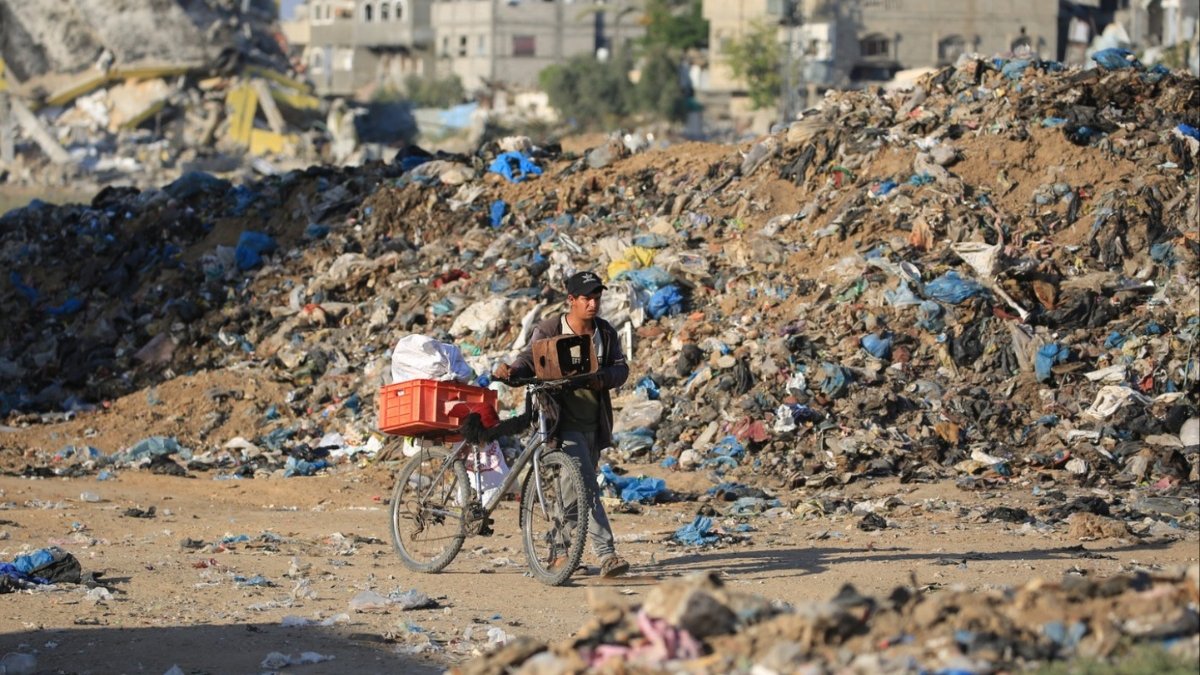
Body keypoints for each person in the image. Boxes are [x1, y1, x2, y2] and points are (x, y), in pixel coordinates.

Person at [493, 271, 631, 578]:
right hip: (560, 422)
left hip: (593, 423)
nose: (593, 304)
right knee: (584, 485)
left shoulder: (605, 333)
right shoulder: (551, 328)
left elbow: (621, 370)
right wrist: (511, 370)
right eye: (587, 298)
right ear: (572, 300)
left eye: (597, 297)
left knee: (573, 491)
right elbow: (529, 359)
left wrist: (601, 378)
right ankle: (607, 554)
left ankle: (559, 553)